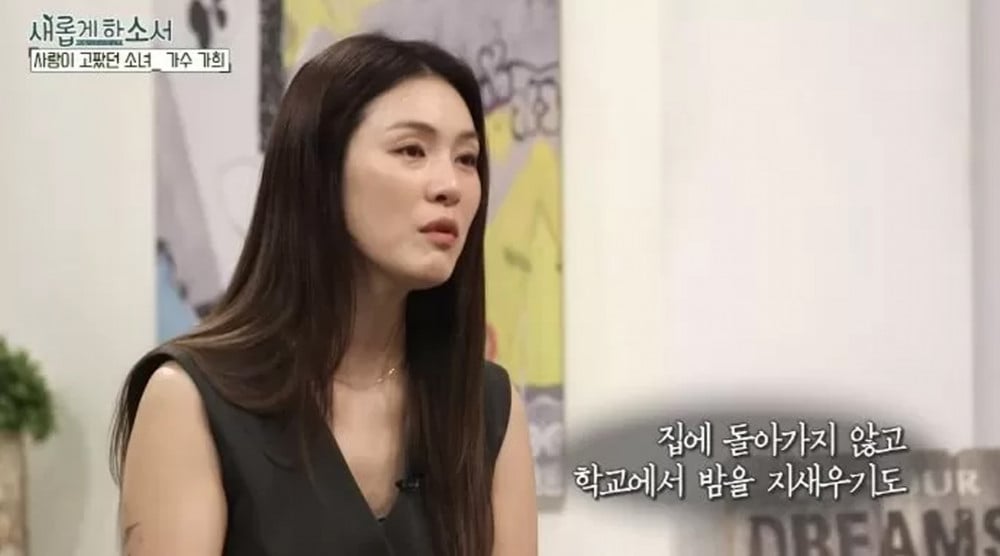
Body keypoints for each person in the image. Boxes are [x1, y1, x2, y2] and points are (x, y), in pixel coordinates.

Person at [109, 33, 539, 556]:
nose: (450, 185)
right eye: (412, 150)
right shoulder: (189, 399)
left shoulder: (487, 407)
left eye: (467, 158)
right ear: (320, 171)